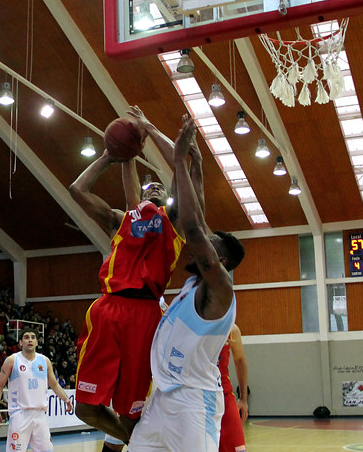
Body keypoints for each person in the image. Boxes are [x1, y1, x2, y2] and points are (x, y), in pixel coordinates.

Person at [69, 107, 204, 451]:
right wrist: (110, 156)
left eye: (161, 188)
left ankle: (137, 438)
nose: (156, 189)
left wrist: (148, 128)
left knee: (131, 410)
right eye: (150, 187)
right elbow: (77, 189)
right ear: (142, 196)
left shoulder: (171, 223)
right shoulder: (121, 220)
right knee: (84, 407)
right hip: (109, 306)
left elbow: (182, 172)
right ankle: (143, 442)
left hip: (146, 315)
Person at [128, 116, 245, 452]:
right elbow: (200, 212)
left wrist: (178, 159)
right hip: (163, 401)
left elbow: (193, 227)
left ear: (219, 261)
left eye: (211, 245)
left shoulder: (221, 289)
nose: (202, 242)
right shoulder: (197, 283)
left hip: (195, 404)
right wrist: (197, 163)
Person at [0, 328, 73, 452]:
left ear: (37, 342)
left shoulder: (45, 361)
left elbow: (55, 384)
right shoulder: (12, 360)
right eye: (26, 337)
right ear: (20, 343)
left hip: (40, 415)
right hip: (20, 414)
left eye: (33, 337)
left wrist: (66, 399)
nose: (30, 340)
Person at [218, 324, 249, 452]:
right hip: (195, 398)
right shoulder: (188, 324)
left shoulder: (231, 329)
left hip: (224, 396)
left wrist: (243, 399)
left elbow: (240, 360)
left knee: (238, 447)